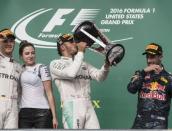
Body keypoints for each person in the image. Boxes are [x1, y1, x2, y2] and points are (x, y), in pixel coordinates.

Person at [50, 34, 111, 129]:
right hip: (71, 106)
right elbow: (71, 73)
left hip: (88, 104)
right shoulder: (55, 64)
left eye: (75, 41)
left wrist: (106, 64)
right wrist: (81, 52)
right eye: (71, 42)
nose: (75, 44)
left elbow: (100, 77)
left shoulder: (83, 64)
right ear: (62, 47)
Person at [127, 43, 172, 129]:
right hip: (139, 124)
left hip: (159, 125)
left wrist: (164, 79)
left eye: (152, 57)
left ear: (161, 57)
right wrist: (143, 73)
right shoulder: (140, 74)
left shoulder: (169, 77)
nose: (149, 61)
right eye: (147, 57)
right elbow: (131, 89)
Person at [18, 40, 58, 128]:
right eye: (27, 53)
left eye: (33, 53)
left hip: (42, 113)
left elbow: (49, 93)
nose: (30, 56)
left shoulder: (42, 67)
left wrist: (54, 117)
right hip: (24, 113)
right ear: (21, 56)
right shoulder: (19, 69)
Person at [0, 28, 22, 129]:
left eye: (11, 41)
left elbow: (20, 90)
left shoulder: (19, 66)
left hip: (13, 106)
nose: (9, 43)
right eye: (5, 41)